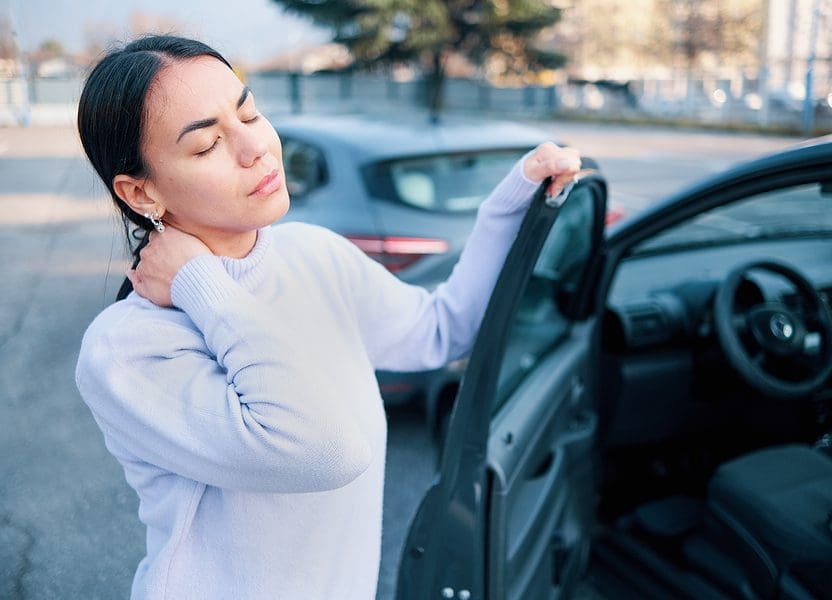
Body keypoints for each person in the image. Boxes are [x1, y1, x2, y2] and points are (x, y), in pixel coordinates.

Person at [74, 35, 581, 599]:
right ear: (140, 192)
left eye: (250, 112)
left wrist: (512, 203)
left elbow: (441, 332)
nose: (257, 148)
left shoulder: (313, 255)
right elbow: (321, 450)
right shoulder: (129, 348)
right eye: (208, 144)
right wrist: (201, 283)